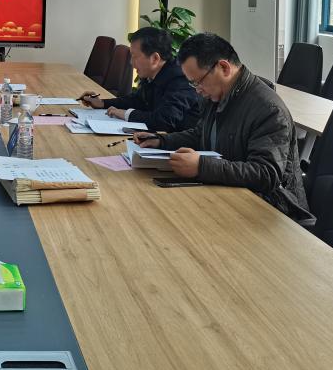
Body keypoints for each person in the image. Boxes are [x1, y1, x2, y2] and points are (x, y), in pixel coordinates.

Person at [133, 33, 313, 223]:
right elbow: (201, 135)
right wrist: (161, 141)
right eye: (192, 83)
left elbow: (266, 174)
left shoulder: (269, 110)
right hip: (227, 196)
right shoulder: (216, 95)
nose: (197, 90)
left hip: (272, 212)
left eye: (198, 81)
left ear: (224, 68)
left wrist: (202, 166)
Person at [79, 26, 201, 131]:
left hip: (184, 148)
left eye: (135, 56)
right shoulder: (153, 74)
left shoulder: (180, 78)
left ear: (155, 58)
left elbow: (165, 120)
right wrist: (102, 103)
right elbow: (137, 100)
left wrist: (126, 114)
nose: (131, 62)